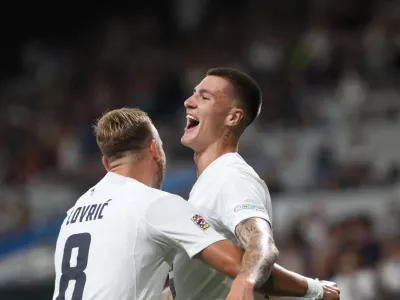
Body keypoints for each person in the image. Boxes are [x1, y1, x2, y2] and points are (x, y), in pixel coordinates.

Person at [168, 68, 341, 300]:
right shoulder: (207, 185)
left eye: (204, 97)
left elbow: (261, 243)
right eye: (193, 94)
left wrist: (246, 281)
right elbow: (209, 279)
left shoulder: (230, 177)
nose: (189, 102)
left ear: (233, 117)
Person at [52, 108, 254, 300]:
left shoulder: (75, 212)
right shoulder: (155, 203)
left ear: (107, 164)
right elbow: (237, 264)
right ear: (154, 149)